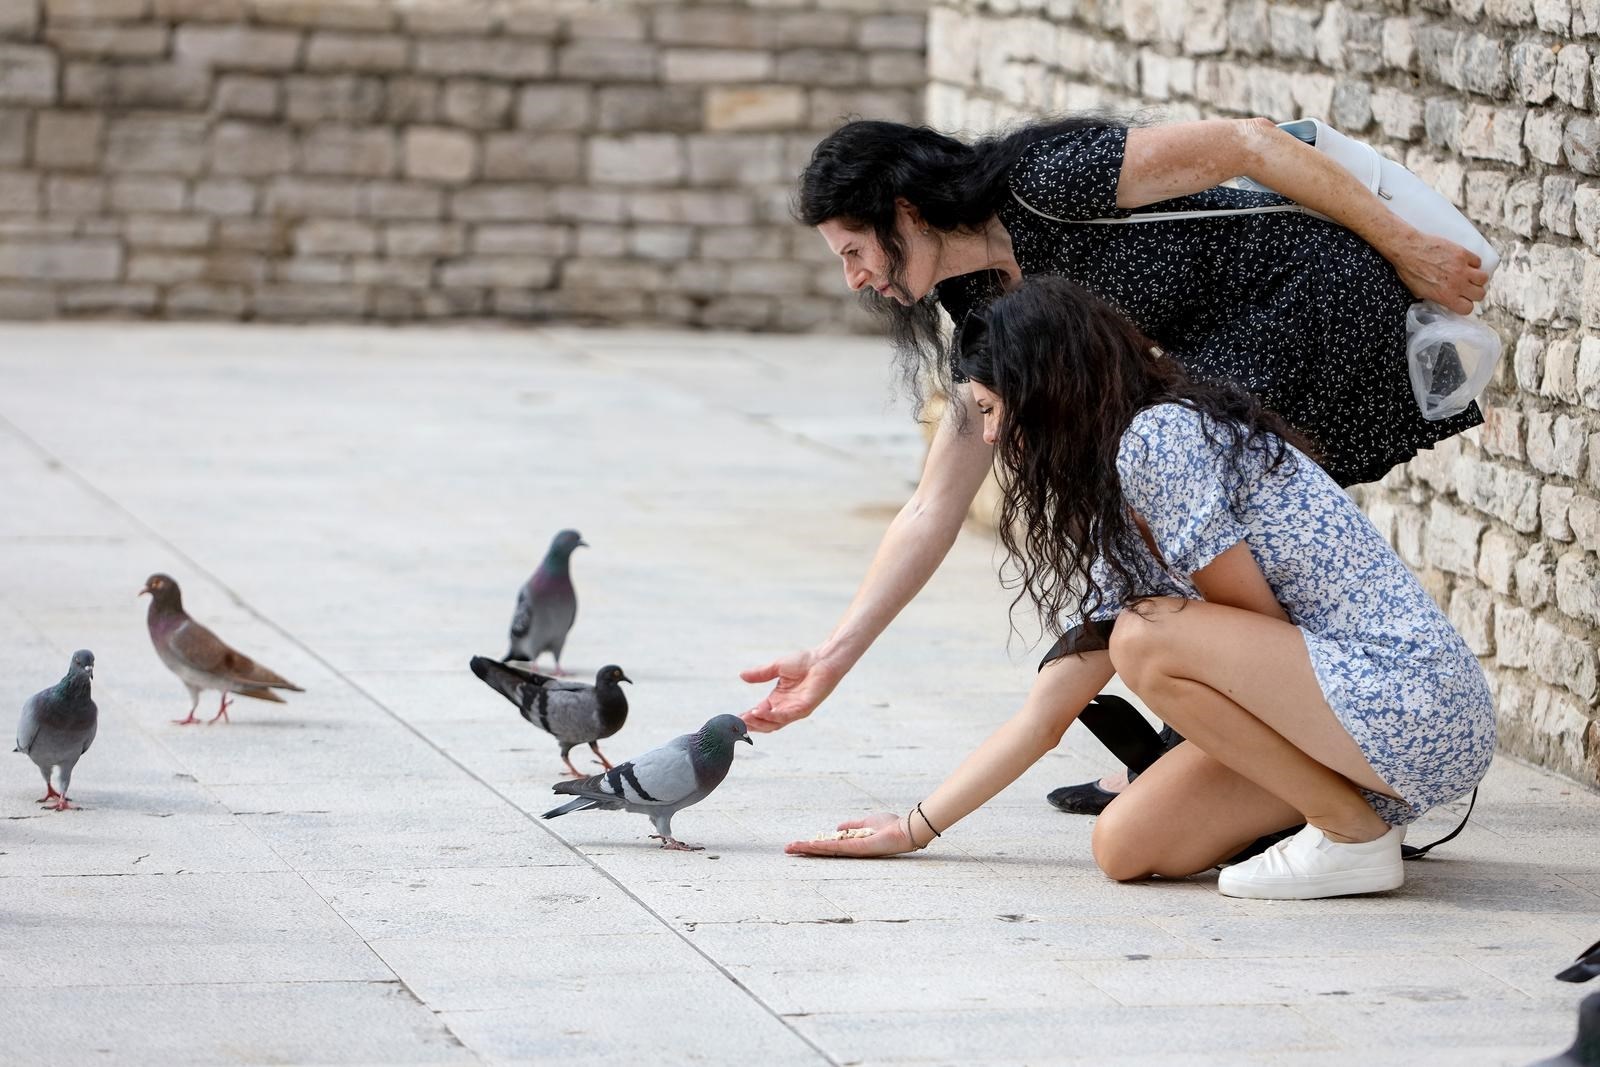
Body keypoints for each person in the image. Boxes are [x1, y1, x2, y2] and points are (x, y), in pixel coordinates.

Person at [742, 114, 1490, 815]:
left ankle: (1263, 760)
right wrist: (833, 657)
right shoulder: (976, 303)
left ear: (904, 213)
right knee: (1171, 498)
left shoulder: (1049, 182)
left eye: (853, 251)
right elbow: (932, 505)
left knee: (1169, 485)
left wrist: (1406, 247)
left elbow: (1252, 143)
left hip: (1307, 298)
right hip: (1221, 357)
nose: (855, 279)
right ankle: (1247, 754)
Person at [784, 277, 1495, 899]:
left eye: (995, 408)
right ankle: (1351, 819)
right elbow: (1044, 716)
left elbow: (1256, 625)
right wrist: (913, 828)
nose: (993, 437)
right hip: (1342, 718)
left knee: (1145, 637)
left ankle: (1349, 835)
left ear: (1051, 392)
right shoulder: (1117, 501)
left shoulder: (1160, 438)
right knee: (1123, 846)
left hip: (1412, 698)